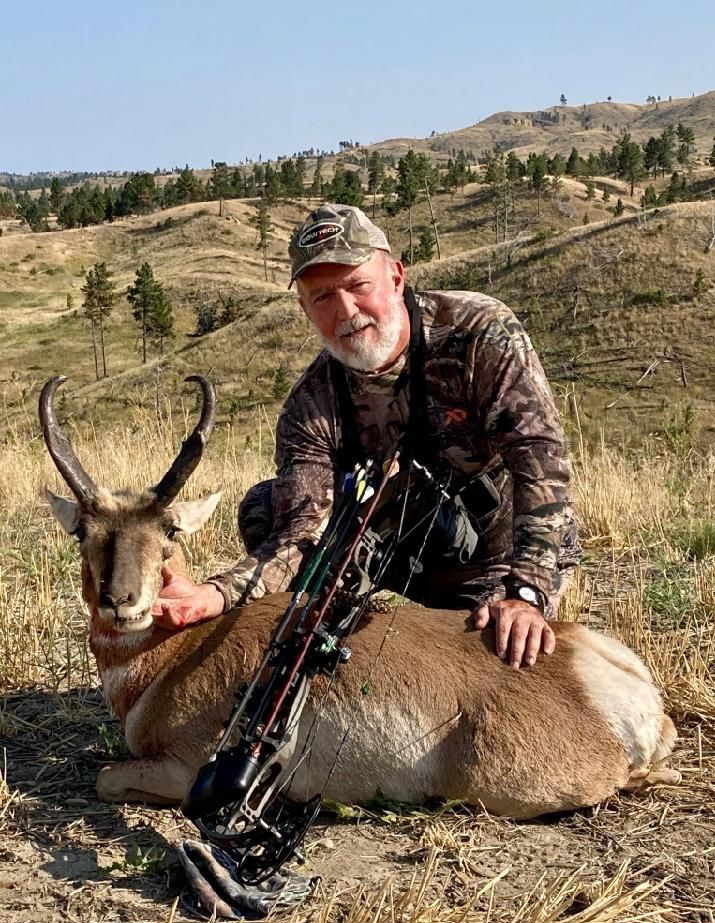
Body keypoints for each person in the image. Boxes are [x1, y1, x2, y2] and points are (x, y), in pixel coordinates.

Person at [153, 204, 581, 669]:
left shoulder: (478, 333)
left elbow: (540, 460)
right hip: (398, 547)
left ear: (396, 278)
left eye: (359, 285)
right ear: (304, 308)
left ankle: (486, 600)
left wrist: (526, 589)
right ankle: (347, 625)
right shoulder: (309, 406)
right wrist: (214, 595)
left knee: (492, 655)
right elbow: (301, 535)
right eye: (322, 298)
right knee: (263, 508)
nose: (346, 311)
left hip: (497, 551)